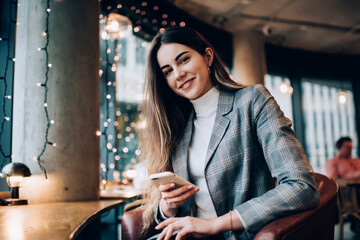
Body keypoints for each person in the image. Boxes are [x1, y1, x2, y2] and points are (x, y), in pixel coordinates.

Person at [138, 26, 319, 240]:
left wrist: (216, 224)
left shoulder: (252, 101)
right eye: (167, 71)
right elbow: (170, 217)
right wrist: (168, 205)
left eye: (183, 60)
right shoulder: (176, 126)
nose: (178, 74)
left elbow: (301, 187)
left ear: (207, 57)